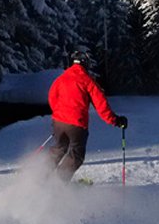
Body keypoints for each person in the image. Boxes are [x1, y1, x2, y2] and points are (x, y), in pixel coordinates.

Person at [47, 50, 127, 182]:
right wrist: (116, 121)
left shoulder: (61, 79)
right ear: (86, 64)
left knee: (59, 148)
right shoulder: (87, 81)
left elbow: (52, 98)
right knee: (76, 155)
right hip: (77, 125)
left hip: (59, 122)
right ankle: (59, 183)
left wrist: (59, 114)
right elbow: (102, 106)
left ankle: (39, 176)